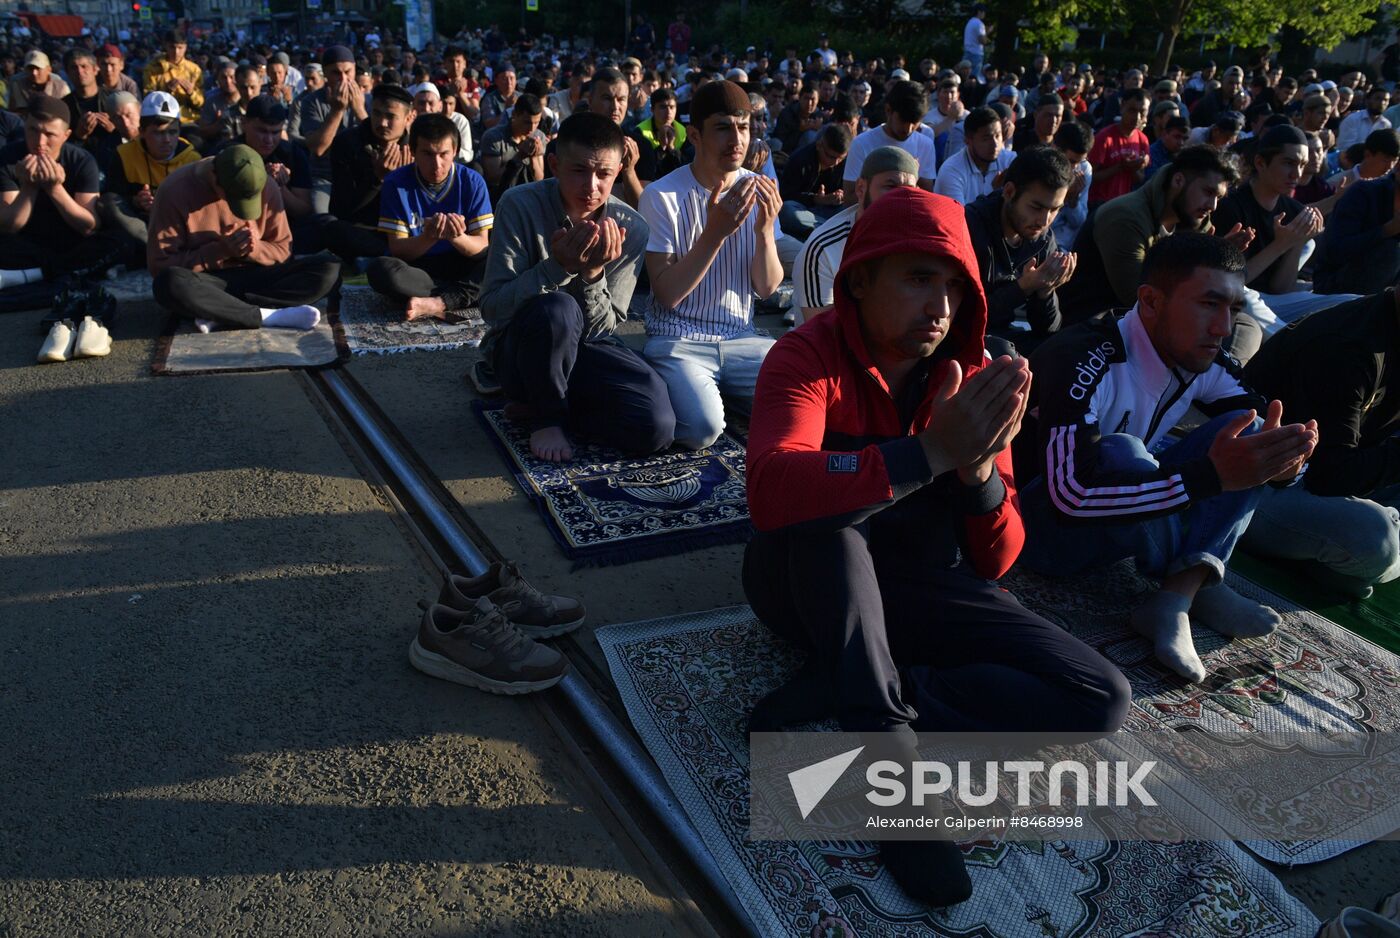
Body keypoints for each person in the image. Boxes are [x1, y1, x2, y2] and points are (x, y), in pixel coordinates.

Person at [743, 185, 1130, 908]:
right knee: (834, 520)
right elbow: (770, 489)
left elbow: (998, 560)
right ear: (861, 279)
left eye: (955, 286)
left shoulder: (974, 377)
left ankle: (873, 682)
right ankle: (886, 761)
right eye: (920, 278)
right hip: (804, 583)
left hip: (917, 589)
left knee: (1099, 697)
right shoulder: (807, 355)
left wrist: (977, 470)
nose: (941, 305)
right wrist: (926, 454)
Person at [1018, 232, 1317, 683]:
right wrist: (1208, 477)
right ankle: (1192, 577)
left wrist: (1287, 465)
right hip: (1039, 533)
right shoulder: (1082, 357)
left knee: (1254, 433)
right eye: (1208, 305)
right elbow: (1069, 497)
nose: (1223, 328)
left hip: (1116, 526)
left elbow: (1263, 433)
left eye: (1232, 309)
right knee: (1123, 450)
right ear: (1151, 301)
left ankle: (1185, 588)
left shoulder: (1204, 357)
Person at [482, 112, 674, 462]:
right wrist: (558, 268)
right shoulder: (519, 204)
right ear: (554, 165)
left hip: (585, 347)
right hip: (523, 352)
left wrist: (593, 274)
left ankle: (552, 404)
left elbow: (603, 329)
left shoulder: (631, 227)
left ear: (618, 172)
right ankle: (546, 417)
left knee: (656, 426)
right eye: (579, 171)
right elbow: (493, 308)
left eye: (604, 174)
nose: (592, 186)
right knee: (558, 308)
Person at [640, 80, 784, 449]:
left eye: (743, 127)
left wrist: (765, 232)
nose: (736, 140)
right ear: (695, 135)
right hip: (678, 338)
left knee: (802, 399)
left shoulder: (758, 187)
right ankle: (705, 393)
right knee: (702, 429)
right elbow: (667, 294)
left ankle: (725, 392)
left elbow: (766, 288)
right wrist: (715, 233)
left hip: (742, 337)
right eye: (722, 128)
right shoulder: (661, 195)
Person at [1239, 290, 1400, 597]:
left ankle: (1327, 559)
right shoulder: (1347, 346)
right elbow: (1330, 477)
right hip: (1255, 488)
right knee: (1375, 540)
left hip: (1326, 478)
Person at [1061, 146, 1254, 350]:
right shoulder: (1125, 218)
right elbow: (1140, 299)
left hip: (1146, 325)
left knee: (1243, 325)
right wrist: (1206, 260)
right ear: (1178, 181)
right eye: (1208, 192)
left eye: (1219, 197)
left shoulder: (1195, 217)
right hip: (1098, 331)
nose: (1213, 205)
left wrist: (1216, 258)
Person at [148, 144, 339, 331]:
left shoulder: (267, 185)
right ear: (214, 178)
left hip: (256, 276)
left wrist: (255, 249)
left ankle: (222, 313)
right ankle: (265, 316)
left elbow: (283, 252)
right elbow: (160, 266)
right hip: (208, 281)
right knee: (169, 283)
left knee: (328, 269)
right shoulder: (174, 190)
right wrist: (219, 251)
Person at [1211, 124, 1357, 332]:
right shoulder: (1230, 206)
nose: (1296, 174)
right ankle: (1290, 344)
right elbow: (1231, 280)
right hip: (1236, 300)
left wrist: (1296, 242)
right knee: (1245, 299)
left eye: (1302, 164)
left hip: (1272, 302)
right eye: (1289, 163)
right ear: (1261, 163)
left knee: (1352, 303)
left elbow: (1280, 289)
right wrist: (1280, 245)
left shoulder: (1293, 209)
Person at [367, 113, 492, 321]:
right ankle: (464, 293)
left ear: (455, 151)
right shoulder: (396, 183)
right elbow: (398, 248)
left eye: (444, 154)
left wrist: (457, 237)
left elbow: (481, 245)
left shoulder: (473, 181)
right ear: (413, 151)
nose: (436, 164)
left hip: (463, 262)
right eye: (427, 154)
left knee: (499, 259)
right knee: (380, 270)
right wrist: (429, 237)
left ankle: (439, 302)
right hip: (420, 269)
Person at [0, 95, 118, 294]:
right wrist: (29, 187)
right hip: (26, 243)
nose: (40, 142)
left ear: (66, 135)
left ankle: (35, 274)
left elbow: (89, 226)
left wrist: (54, 189)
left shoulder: (81, 161)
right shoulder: (7, 158)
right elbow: (9, 226)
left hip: (69, 241)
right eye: (33, 130)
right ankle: (63, 271)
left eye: (50, 134)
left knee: (117, 241)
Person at [963, 145, 1074, 350]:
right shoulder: (970, 227)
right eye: (1036, 207)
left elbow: (1048, 331)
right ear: (1009, 192)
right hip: (967, 338)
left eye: (1054, 210)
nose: (1044, 221)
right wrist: (1024, 287)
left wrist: (1046, 290)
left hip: (1006, 336)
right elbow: (965, 317)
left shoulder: (1043, 239)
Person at [791, 147, 919, 324]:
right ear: (860, 188)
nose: (899, 197)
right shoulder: (824, 248)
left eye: (908, 190)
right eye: (890, 186)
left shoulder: (919, 238)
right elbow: (822, 330)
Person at [99, 91, 200, 268]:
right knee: (108, 202)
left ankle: (158, 252)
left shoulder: (193, 160)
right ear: (142, 132)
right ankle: (160, 251)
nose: (167, 140)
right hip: (142, 225)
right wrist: (136, 201)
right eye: (158, 133)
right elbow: (113, 196)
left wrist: (167, 207)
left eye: (172, 132)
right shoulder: (124, 155)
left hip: (178, 225)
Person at [322, 83, 414, 264]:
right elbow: (341, 210)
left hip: (405, 230)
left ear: (409, 118)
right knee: (332, 229)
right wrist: (377, 179)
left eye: (391, 117)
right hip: (365, 228)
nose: (382, 123)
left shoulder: (416, 148)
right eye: (377, 114)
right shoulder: (347, 143)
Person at [295, 45, 365, 215]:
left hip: (360, 174)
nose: (343, 79)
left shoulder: (368, 99)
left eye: (347, 72)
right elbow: (318, 149)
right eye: (336, 73)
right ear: (325, 74)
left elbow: (378, 138)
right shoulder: (311, 102)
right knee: (321, 214)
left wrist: (359, 110)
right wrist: (337, 110)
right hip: (325, 176)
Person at [842, 80, 937, 203]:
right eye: (903, 120)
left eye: (914, 123)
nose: (908, 129)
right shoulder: (862, 143)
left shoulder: (925, 145)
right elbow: (849, 197)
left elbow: (927, 197)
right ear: (888, 110)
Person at [1313, 172, 1400, 295]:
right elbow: (1335, 251)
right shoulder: (1363, 193)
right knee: (1391, 251)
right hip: (1334, 285)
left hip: (1383, 294)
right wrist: (1387, 230)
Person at [778, 123, 849, 239]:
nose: (836, 162)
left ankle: (823, 230)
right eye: (831, 157)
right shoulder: (800, 159)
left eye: (840, 158)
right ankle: (831, 231)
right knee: (786, 210)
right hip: (805, 210)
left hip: (829, 212)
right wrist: (816, 199)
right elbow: (786, 195)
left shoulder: (845, 163)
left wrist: (840, 196)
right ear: (819, 145)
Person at [932, 105, 1013, 206]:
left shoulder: (1010, 161)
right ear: (967, 140)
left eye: (998, 136)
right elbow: (961, 215)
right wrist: (996, 194)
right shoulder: (951, 171)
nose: (995, 144)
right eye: (986, 138)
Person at [1087, 87, 1150, 208]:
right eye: (1132, 110)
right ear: (1122, 107)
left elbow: (1140, 178)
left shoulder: (1143, 140)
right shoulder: (1104, 137)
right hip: (1099, 204)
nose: (1137, 117)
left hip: (1123, 205)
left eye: (1142, 112)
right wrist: (1119, 167)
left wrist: (1134, 168)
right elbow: (1090, 176)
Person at [480, 92, 545, 199]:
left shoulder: (539, 137)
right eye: (527, 122)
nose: (532, 128)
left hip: (529, 194)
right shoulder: (493, 137)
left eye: (536, 123)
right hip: (501, 195)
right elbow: (493, 178)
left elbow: (539, 179)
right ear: (514, 115)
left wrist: (533, 157)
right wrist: (518, 157)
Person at [142, 31, 203, 127]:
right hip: (163, 119)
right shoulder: (153, 68)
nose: (176, 52)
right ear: (165, 46)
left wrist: (191, 93)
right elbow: (148, 99)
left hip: (188, 119)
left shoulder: (194, 70)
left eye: (180, 48)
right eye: (172, 47)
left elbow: (201, 103)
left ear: (185, 47)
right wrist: (166, 92)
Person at [629, 87, 688, 183]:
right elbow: (644, 169)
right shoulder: (640, 131)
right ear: (652, 109)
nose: (668, 112)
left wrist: (672, 149)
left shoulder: (683, 132)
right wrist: (661, 147)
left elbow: (685, 167)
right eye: (663, 107)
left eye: (672, 107)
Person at [1050, 119, 1092, 249]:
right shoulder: (1043, 166)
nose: (1075, 168)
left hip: (1065, 246)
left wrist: (1073, 202)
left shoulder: (1084, 169)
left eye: (1081, 161)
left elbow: (1079, 222)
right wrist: (1064, 197)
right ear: (1055, 149)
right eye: (1071, 161)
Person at [410, 82, 473, 165]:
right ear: (413, 104)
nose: (426, 108)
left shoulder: (458, 121)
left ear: (440, 106)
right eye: (421, 103)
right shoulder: (406, 122)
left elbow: (467, 155)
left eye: (431, 103)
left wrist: (447, 150)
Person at [924, 76, 968, 165]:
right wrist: (951, 118)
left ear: (958, 95)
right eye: (945, 92)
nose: (949, 96)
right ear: (938, 94)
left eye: (952, 92)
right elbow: (928, 134)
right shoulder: (929, 116)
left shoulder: (967, 116)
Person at [1337, 86, 1392, 151]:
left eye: (1385, 100)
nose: (1382, 103)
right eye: (1377, 98)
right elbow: (1345, 147)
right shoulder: (1353, 119)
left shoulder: (1386, 125)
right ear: (1367, 100)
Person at [1143, 115, 1189, 183]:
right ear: (1164, 134)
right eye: (1177, 137)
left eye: (1185, 139)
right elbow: (1153, 183)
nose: (1181, 143)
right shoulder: (1151, 154)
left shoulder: (1185, 155)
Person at [963, 4, 990, 76]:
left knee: (965, 75)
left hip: (967, 51)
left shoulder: (970, 22)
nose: (984, 14)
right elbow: (982, 40)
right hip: (976, 53)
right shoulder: (979, 23)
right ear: (979, 12)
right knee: (974, 76)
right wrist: (988, 32)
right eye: (983, 12)